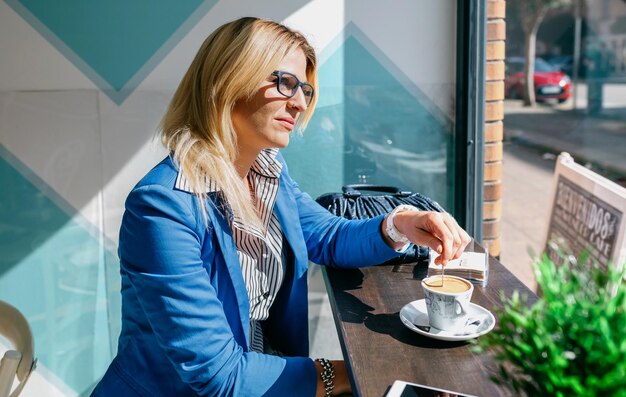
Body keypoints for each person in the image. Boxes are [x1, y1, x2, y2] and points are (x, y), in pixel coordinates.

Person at [91, 17, 471, 397]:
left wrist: (400, 223)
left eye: (304, 89)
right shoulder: (163, 207)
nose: (301, 102)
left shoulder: (266, 172)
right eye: (285, 83)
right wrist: (360, 370)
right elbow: (219, 375)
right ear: (229, 80)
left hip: (265, 371)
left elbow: (327, 236)